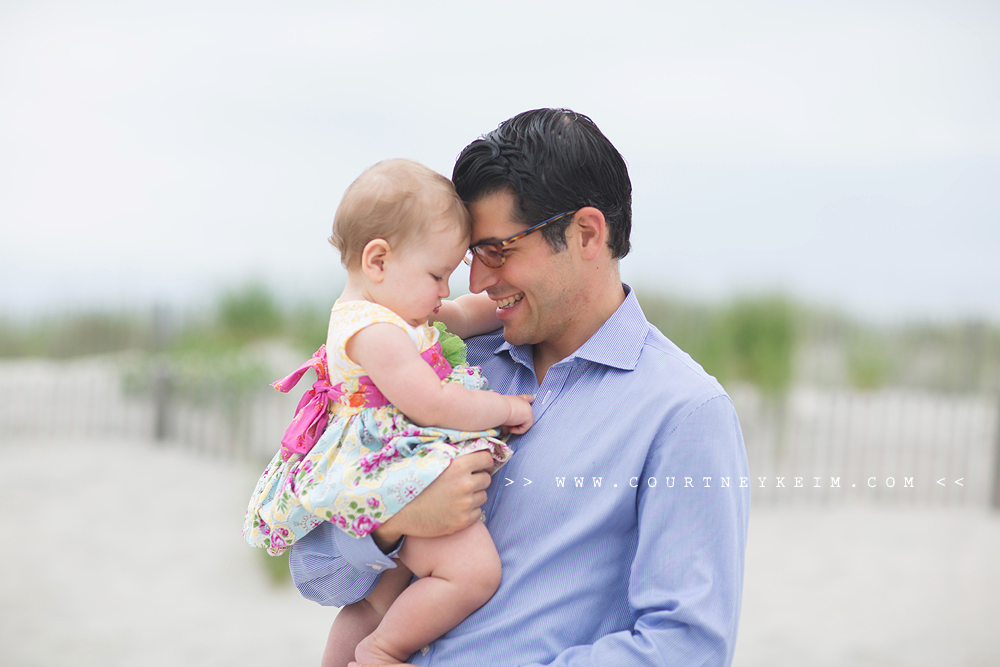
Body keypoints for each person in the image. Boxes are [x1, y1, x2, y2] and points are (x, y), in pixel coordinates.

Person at [290, 109, 751, 667]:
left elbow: (684, 648)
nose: (476, 282)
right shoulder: (434, 363)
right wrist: (392, 524)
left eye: (498, 251)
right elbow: (315, 575)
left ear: (586, 233)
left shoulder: (683, 412)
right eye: (470, 257)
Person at [243, 158, 535, 666]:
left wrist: (520, 299)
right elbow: (432, 402)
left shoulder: (396, 309)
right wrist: (504, 406)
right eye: (438, 274)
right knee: (472, 573)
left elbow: (468, 311)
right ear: (378, 261)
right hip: (391, 472)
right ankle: (383, 649)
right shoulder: (373, 331)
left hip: (391, 469)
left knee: (379, 597)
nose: (447, 290)